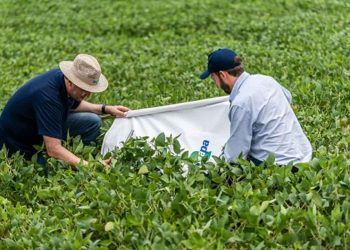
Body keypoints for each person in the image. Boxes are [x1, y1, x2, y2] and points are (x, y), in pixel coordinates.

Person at [0, 54, 129, 168]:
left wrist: (105, 109)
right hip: (18, 147)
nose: (88, 94)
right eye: (84, 89)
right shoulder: (48, 97)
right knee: (50, 168)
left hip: (39, 128)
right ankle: (74, 161)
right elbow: (53, 149)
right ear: (70, 82)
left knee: (92, 121)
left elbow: (74, 105)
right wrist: (90, 166)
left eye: (90, 89)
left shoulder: (62, 79)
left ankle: (74, 156)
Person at [199, 48, 312, 165]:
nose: (215, 84)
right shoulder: (267, 80)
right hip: (304, 157)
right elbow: (288, 97)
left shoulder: (241, 102)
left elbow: (237, 154)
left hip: (278, 166)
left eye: (213, 78)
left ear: (222, 75)